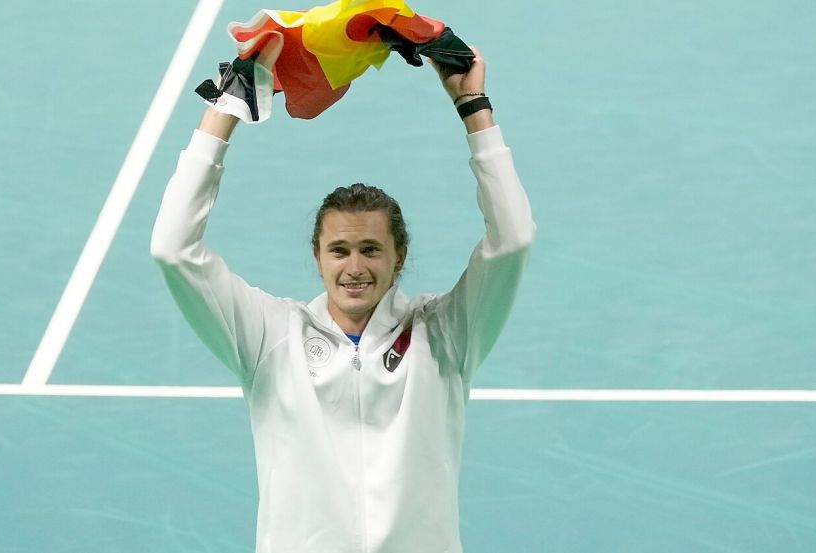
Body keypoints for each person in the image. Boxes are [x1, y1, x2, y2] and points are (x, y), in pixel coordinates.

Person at [150, 46, 535, 553]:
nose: (355, 267)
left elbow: (513, 241)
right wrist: (225, 110)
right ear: (318, 257)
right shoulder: (269, 338)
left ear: (399, 258)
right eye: (340, 250)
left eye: (371, 250)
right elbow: (172, 249)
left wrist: (474, 107)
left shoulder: (445, 336)